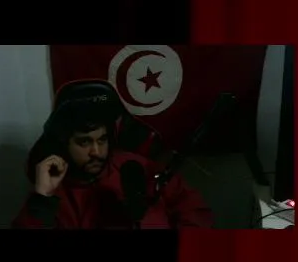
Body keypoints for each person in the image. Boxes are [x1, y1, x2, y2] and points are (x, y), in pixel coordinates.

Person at [13, 81, 213, 230]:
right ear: (63, 144)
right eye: (84, 142)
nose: (97, 152)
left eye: (102, 140)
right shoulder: (53, 192)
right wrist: (42, 200)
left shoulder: (138, 167)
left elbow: (193, 208)